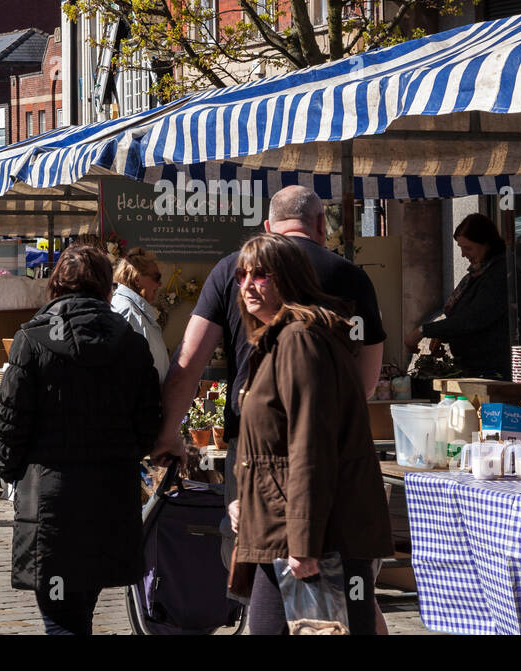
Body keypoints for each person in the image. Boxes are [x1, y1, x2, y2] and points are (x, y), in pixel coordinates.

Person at [153, 186, 386, 561]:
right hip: (330, 453)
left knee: (266, 568)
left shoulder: (231, 271)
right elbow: (367, 382)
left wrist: (167, 435)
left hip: (252, 446)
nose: (250, 285)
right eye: (248, 278)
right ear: (321, 225)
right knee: (333, 578)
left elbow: (188, 363)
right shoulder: (350, 277)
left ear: (267, 227)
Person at [226, 233, 393, 635]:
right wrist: (244, 501)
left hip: (313, 538)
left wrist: (304, 542)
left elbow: (309, 447)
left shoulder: (299, 340)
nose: (248, 285)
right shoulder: (278, 339)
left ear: (288, 278)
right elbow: (273, 448)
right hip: (278, 530)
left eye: (261, 275)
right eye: (241, 275)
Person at [0, 244, 161, 635]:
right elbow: (147, 423)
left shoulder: (34, 338)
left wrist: (14, 472)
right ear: (106, 287)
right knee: (78, 609)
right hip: (110, 497)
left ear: (56, 285)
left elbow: (10, 423)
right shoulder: (130, 342)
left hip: (52, 499)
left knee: (61, 616)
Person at [406, 213, 521, 379]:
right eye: (460, 248)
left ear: (485, 244)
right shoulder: (480, 272)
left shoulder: (502, 274)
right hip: (479, 367)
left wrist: (424, 331)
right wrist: (444, 334)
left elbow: (474, 318)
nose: (463, 254)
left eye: (468, 248)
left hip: (500, 370)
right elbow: (463, 316)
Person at [109, 247, 169, 381]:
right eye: (156, 277)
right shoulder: (127, 311)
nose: (160, 283)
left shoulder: (134, 310)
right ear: (137, 279)